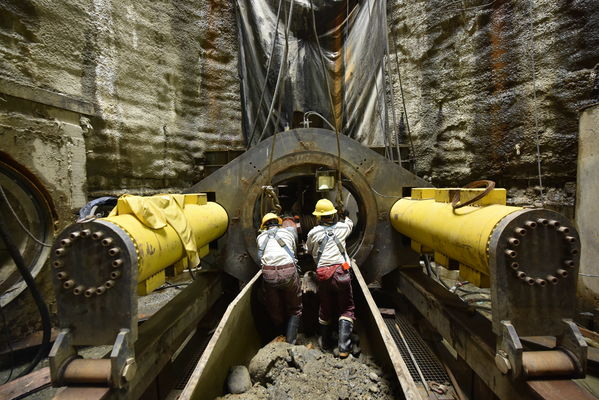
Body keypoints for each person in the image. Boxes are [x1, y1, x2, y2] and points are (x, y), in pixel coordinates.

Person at [306, 199, 354, 358]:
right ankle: (343, 348)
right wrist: (345, 216)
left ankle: (325, 341)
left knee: (325, 307)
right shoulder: (342, 228)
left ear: (318, 217)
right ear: (333, 215)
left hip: (323, 275)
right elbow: (350, 224)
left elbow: (309, 250)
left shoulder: (313, 233)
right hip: (341, 273)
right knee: (347, 308)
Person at [256, 212, 302, 344]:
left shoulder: (261, 237)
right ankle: (291, 340)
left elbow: (261, 255)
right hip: (288, 271)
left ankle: (279, 335)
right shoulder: (287, 233)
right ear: (279, 223)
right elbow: (293, 252)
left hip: (269, 273)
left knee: (274, 307)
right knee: (295, 308)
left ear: (264, 226)